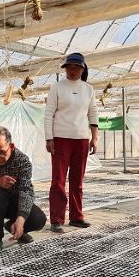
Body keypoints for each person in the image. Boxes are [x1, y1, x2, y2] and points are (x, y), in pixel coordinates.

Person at [44, 52, 99, 233]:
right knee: (58, 181)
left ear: (83, 70)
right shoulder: (57, 88)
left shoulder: (88, 89)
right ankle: (57, 219)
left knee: (78, 180)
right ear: (65, 69)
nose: (73, 70)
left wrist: (94, 138)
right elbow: (49, 114)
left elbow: (93, 113)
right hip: (61, 139)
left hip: (81, 139)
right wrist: (49, 138)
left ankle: (76, 217)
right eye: (70, 67)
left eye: (77, 67)